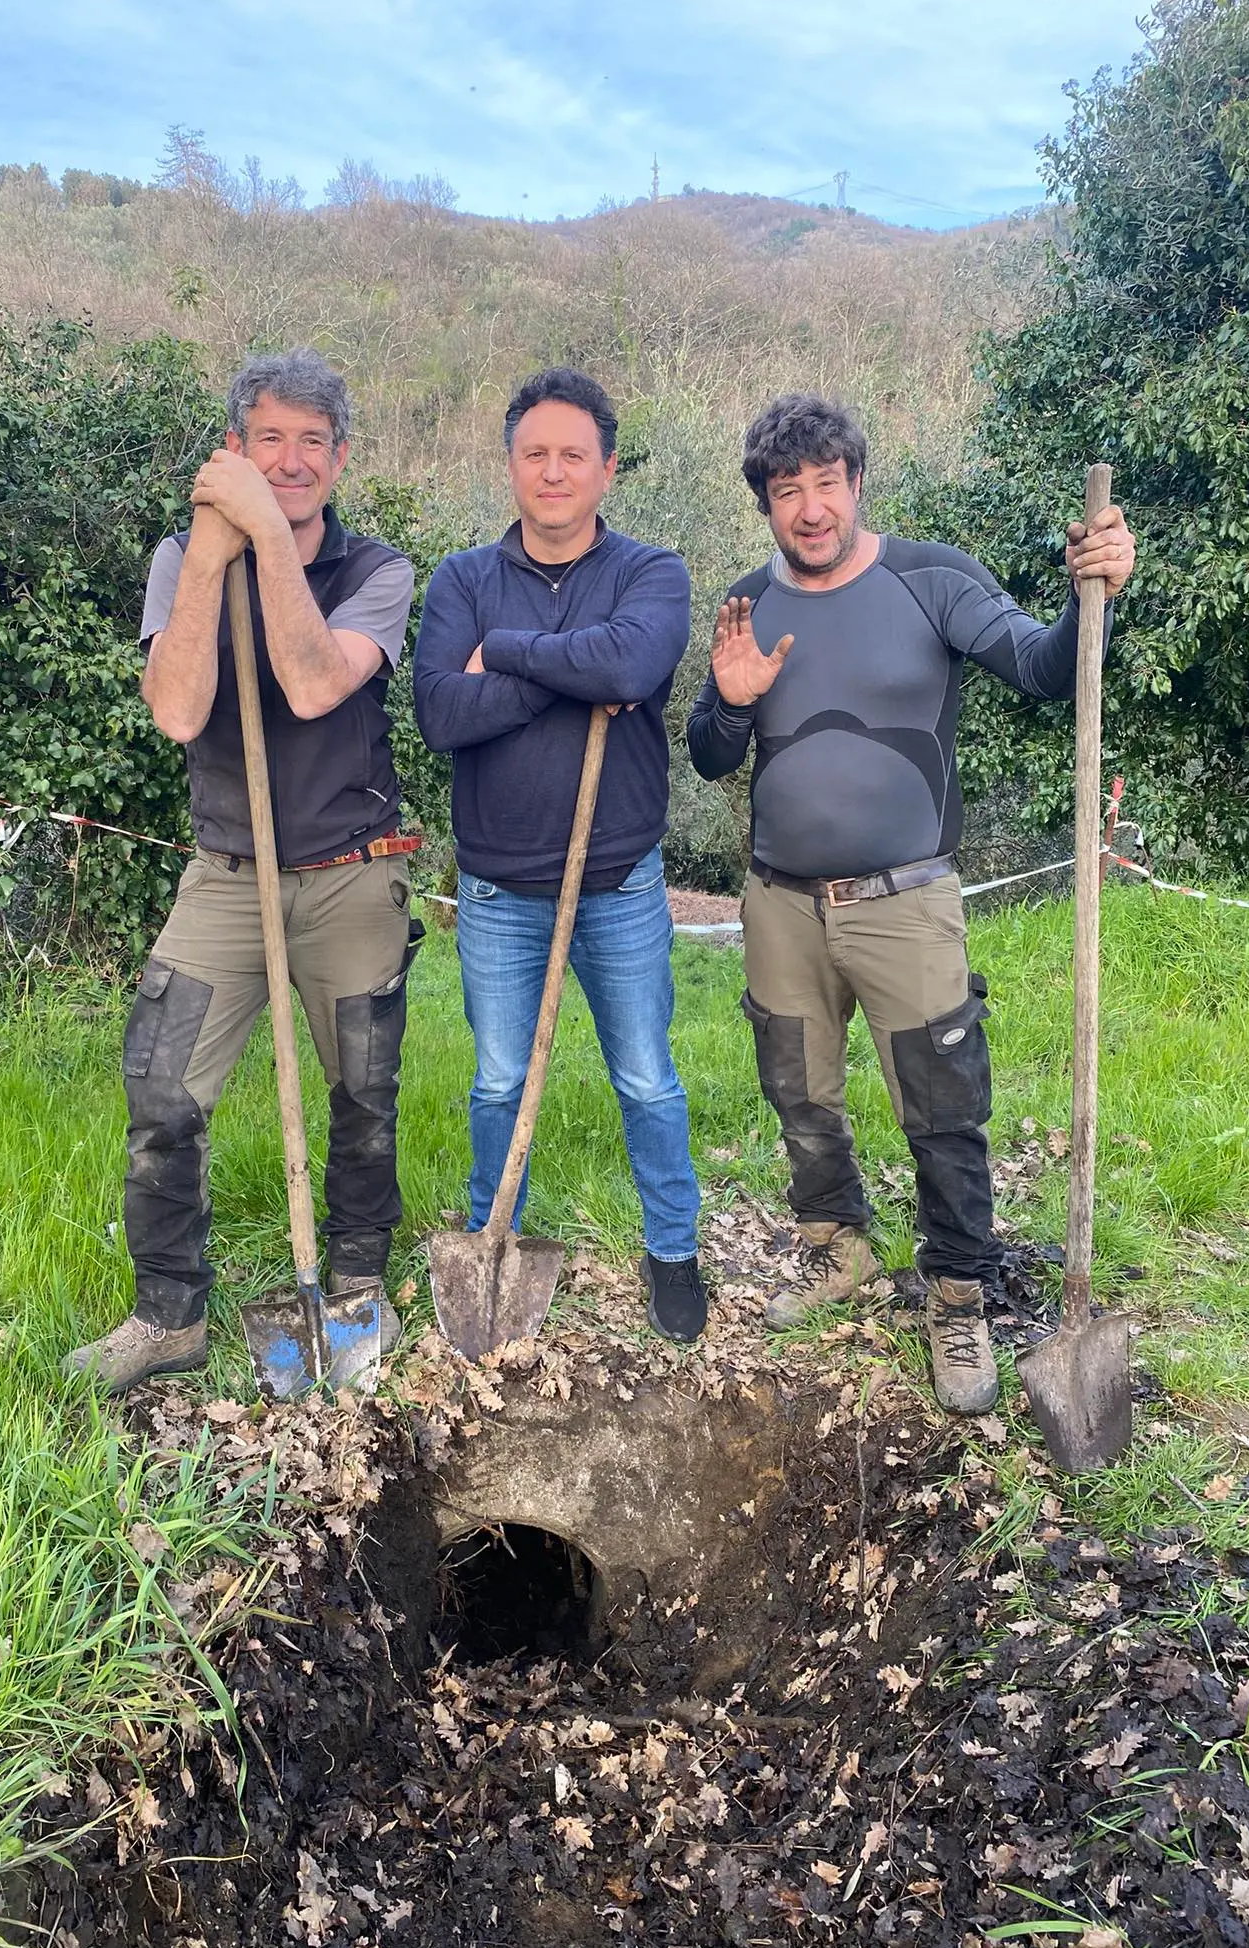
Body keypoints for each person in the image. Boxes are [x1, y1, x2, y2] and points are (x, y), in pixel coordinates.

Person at [687, 392, 1134, 1412]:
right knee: (798, 1088)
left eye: (825, 483)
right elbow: (712, 753)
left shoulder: (934, 578)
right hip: (780, 902)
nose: (809, 508)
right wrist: (729, 699)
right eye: (786, 490)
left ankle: (959, 1292)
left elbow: (1044, 667)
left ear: (856, 480)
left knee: (942, 1107)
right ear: (765, 503)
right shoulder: (752, 599)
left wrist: (1094, 595)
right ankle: (834, 1246)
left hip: (906, 899)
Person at [64, 348, 422, 1391]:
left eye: (314, 441)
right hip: (228, 873)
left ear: (341, 457)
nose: (293, 458)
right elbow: (176, 709)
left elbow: (313, 687)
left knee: (365, 1090)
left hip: (353, 872)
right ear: (236, 447)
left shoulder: (376, 572)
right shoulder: (183, 558)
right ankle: (167, 1316)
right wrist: (216, 557)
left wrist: (264, 531)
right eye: (271, 438)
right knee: (160, 1082)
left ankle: (357, 1287)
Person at [413, 368, 710, 1342]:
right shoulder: (462, 579)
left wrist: (503, 652)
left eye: (571, 454)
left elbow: (633, 661)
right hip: (498, 887)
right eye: (533, 453)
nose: (552, 471)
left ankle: (673, 1250)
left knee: (645, 1076)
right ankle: (489, 1239)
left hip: (618, 882)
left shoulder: (650, 571)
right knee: (499, 1080)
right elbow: (440, 715)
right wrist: (566, 666)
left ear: (606, 468)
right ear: (511, 465)